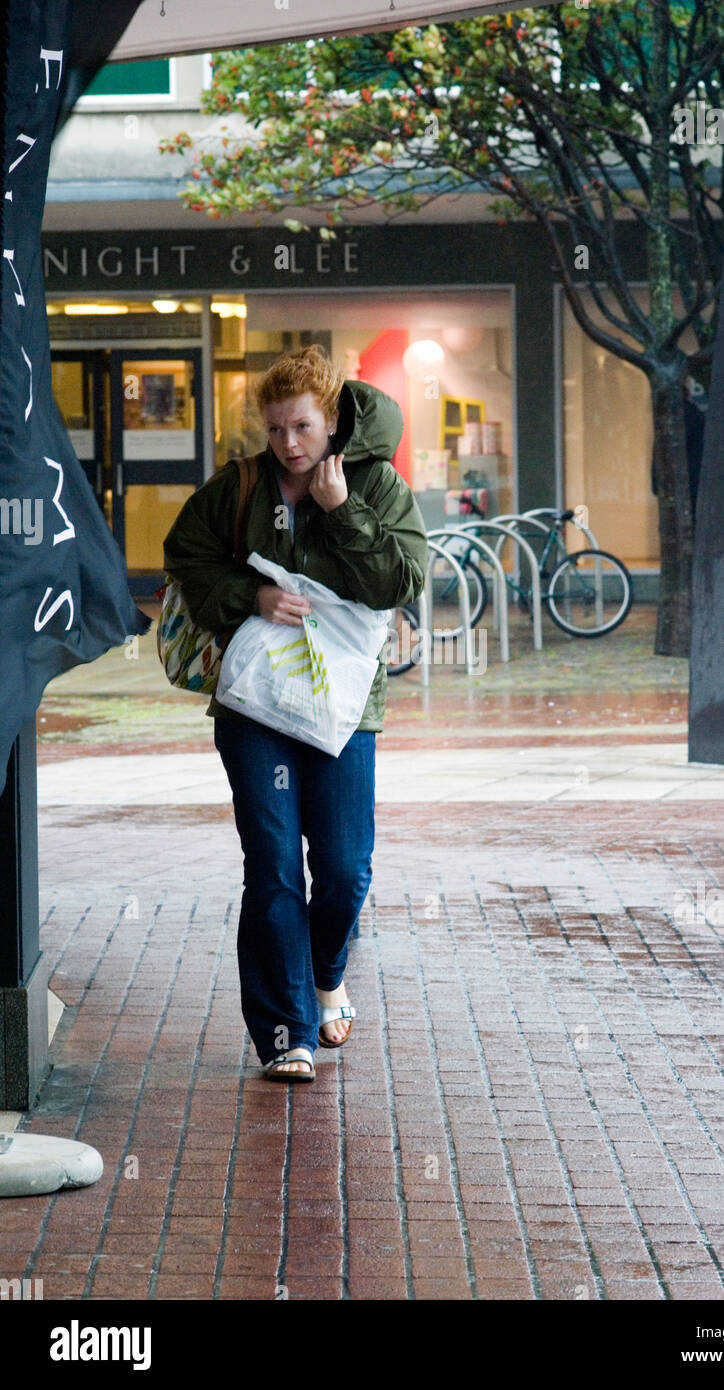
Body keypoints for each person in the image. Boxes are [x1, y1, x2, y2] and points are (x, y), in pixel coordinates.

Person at [163, 346, 428, 1081]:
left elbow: (402, 582)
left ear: (334, 418)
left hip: (344, 710)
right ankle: (287, 1033)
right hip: (255, 705)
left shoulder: (376, 485)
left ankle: (326, 970)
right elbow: (184, 555)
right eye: (277, 428)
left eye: (303, 426)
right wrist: (252, 598)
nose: (289, 443)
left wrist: (344, 515)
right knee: (275, 867)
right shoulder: (241, 486)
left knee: (343, 869)